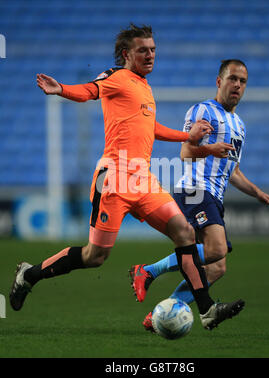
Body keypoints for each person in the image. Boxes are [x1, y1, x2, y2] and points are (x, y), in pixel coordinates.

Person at [9, 24, 242, 329]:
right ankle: (29, 275)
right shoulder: (115, 77)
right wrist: (62, 89)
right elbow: (89, 91)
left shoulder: (144, 87)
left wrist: (188, 135)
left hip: (143, 180)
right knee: (95, 256)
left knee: (184, 233)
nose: (150, 55)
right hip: (115, 179)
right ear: (126, 54)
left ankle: (207, 310)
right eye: (143, 50)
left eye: (153, 49)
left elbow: (152, 127)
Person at [129, 59, 269, 331]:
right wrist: (210, 150)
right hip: (195, 190)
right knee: (217, 249)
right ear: (219, 81)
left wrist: (259, 193)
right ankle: (149, 270)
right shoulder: (204, 111)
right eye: (232, 78)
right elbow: (185, 153)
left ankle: (160, 315)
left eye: (242, 81)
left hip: (213, 196)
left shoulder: (239, 125)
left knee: (216, 266)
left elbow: (231, 170)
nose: (237, 85)